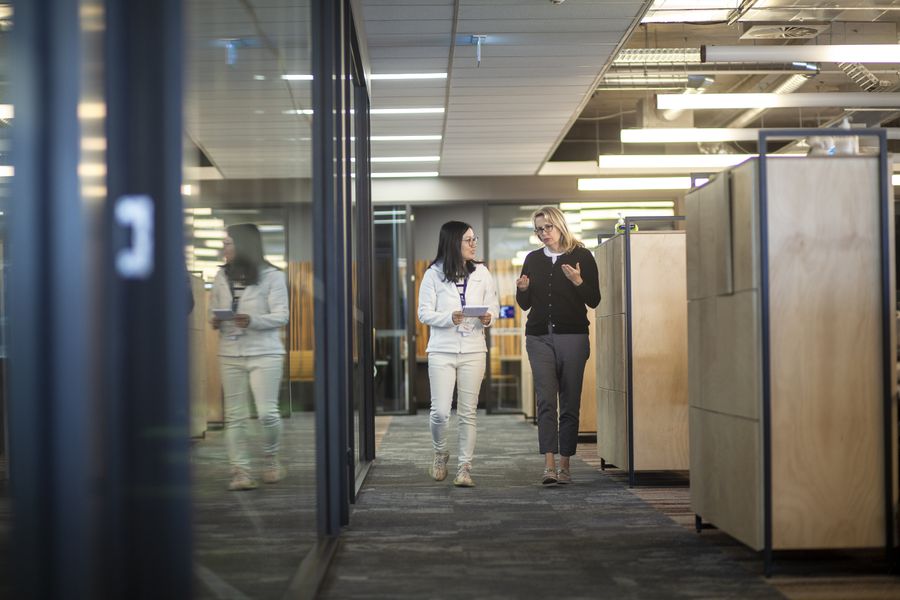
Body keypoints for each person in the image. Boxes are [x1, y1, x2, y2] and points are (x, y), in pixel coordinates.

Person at [515, 206, 600, 485]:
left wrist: (578, 281)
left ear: (560, 225)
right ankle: (549, 465)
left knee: (570, 401)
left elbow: (594, 299)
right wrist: (522, 290)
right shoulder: (532, 259)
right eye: (538, 229)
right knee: (546, 401)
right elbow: (524, 304)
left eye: (547, 227)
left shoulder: (582, 256)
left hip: (573, 337)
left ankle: (565, 464)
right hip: (538, 337)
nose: (543, 233)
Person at [417, 221, 499, 488]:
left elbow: (494, 306)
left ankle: (464, 467)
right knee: (440, 412)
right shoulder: (433, 274)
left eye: (475, 239)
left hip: (474, 350)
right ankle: (440, 453)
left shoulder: (482, 272)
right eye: (468, 240)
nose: (474, 244)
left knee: (467, 413)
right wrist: (448, 318)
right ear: (453, 242)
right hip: (442, 350)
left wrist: (489, 317)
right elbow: (423, 313)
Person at [210, 223, 289, 491]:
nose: (224, 248)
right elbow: (215, 307)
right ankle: (240, 472)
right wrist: (215, 320)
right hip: (230, 352)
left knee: (267, 413)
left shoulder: (272, 276)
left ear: (243, 245)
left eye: (228, 243)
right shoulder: (221, 276)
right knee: (235, 416)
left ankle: (271, 459)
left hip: (264, 352)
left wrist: (252, 320)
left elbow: (282, 316)